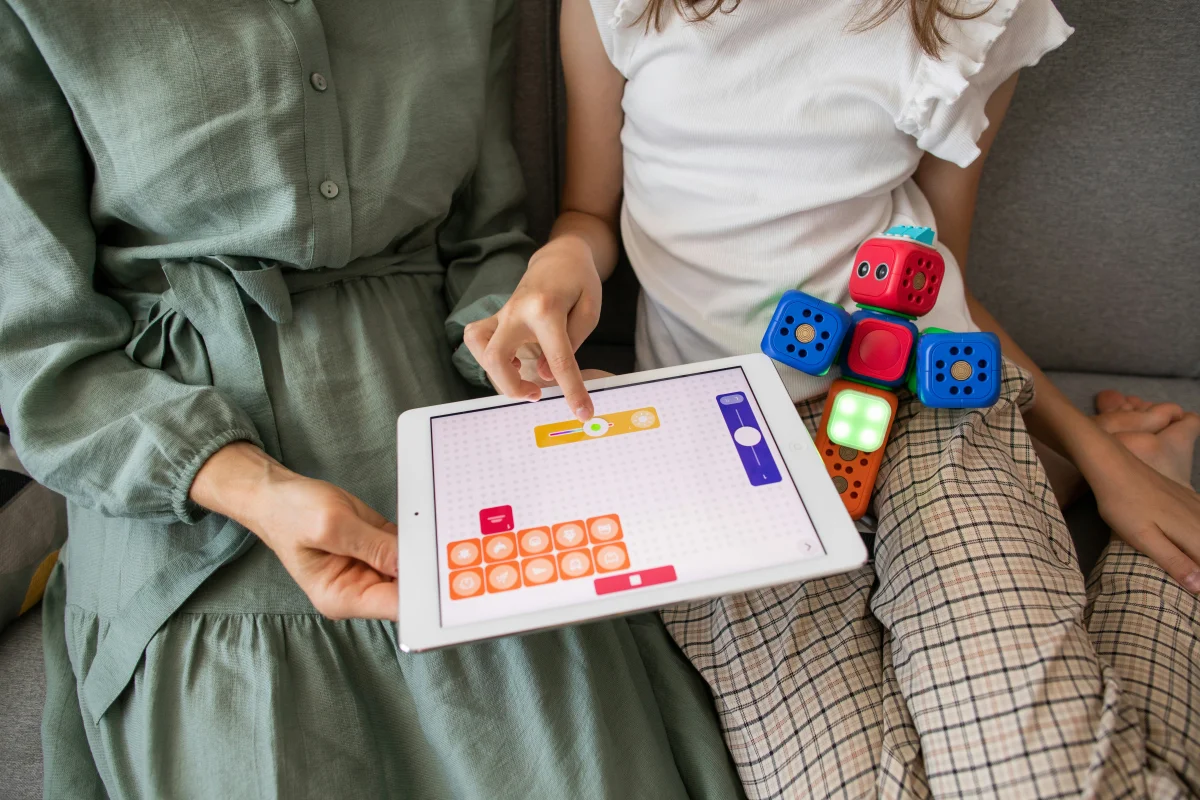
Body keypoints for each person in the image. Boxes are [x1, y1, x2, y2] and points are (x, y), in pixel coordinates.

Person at [0, 2, 749, 797]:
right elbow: (42, 355)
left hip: (456, 458)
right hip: (189, 508)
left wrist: (519, 357)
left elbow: (483, 241)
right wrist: (249, 485)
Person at [466, 0, 1200, 796]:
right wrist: (560, 262)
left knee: (1046, 783)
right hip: (724, 451)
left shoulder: (976, 11)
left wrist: (1096, 460)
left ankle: (1119, 480)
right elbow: (588, 212)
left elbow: (943, 270)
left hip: (928, 407)